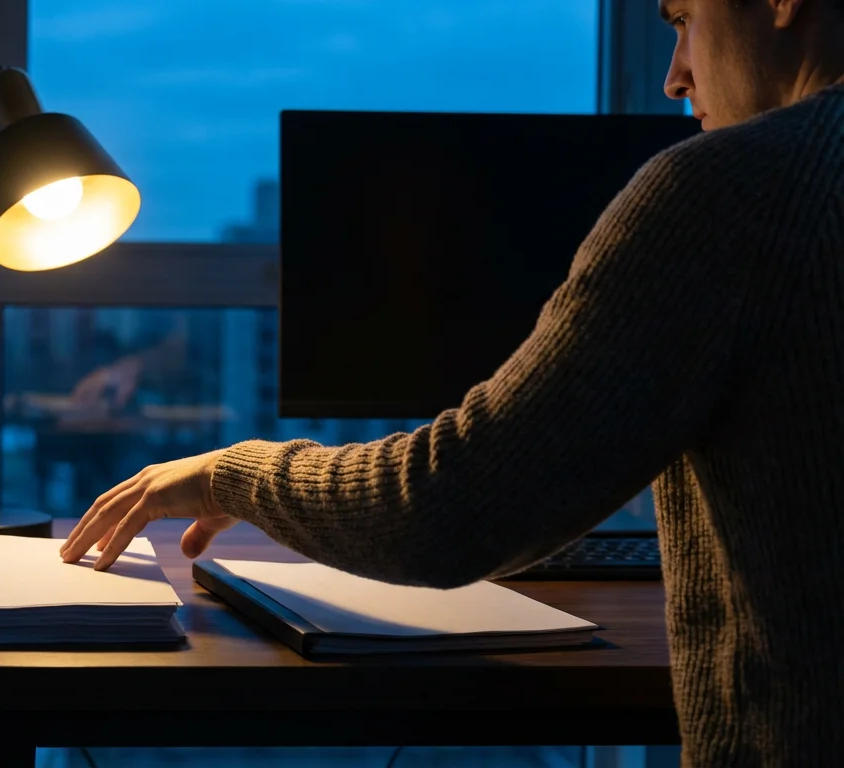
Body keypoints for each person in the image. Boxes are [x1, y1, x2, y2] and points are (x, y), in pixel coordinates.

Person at [59, 0, 844, 764]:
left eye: (683, 19)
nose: (676, 77)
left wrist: (229, 474)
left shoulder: (733, 194)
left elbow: (447, 509)